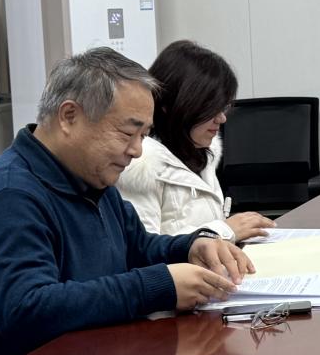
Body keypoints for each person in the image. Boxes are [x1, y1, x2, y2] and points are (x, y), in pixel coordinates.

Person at [0, 47, 253, 355]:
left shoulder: (90, 177)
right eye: (127, 133)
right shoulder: (9, 196)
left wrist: (191, 247)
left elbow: (138, 247)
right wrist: (157, 286)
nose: (137, 151)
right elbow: (27, 309)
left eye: (143, 136)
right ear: (69, 116)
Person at [117, 40, 273, 242]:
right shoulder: (139, 164)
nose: (221, 118)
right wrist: (223, 230)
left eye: (224, 107)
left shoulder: (200, 153)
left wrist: (226, 231)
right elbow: (143, 248)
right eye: (211, 108)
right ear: (170, 105)